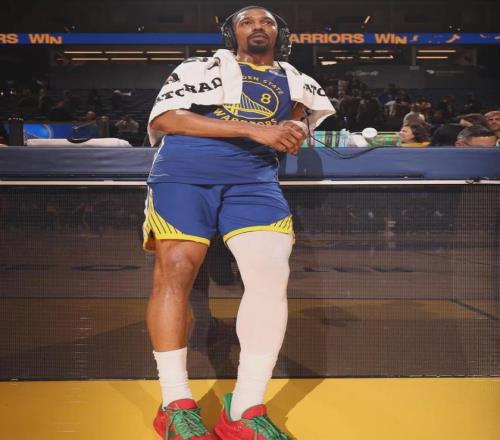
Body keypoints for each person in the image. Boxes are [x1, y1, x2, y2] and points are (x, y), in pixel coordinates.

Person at [143, 6, 335, 440]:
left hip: (254, 181)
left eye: (267, 21)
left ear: (280, 33)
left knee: (270, 277)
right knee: (175, 273)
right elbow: (165, 119)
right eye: (247, 22)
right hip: (184, 174)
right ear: (232, 34)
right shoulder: (198, 68)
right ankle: (175, 403)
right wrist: (254, 130)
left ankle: (245, 410)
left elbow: (294, 125)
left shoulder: (298, 82)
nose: (258, 26)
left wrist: (292, 132)